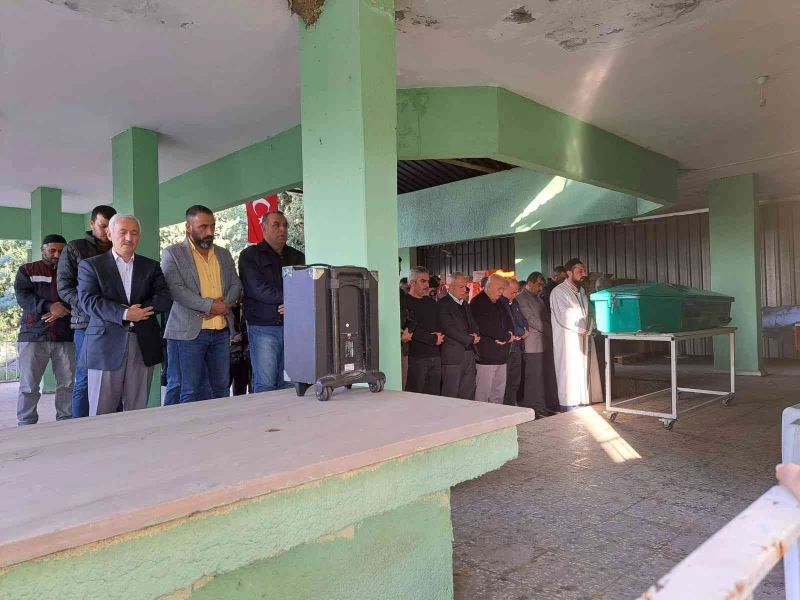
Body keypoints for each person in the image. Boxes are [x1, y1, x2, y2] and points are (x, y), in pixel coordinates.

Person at [78, 214, 171, 415]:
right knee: (101, 411)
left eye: (134, 233)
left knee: (137, 410)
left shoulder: (151, 266)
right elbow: (88, 301)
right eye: (123, 232)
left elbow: (164, 297)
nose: (129, 238)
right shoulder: (91, 265)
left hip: (143, 343)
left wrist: (140, 312)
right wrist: (125, 313)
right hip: (105, 345)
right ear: (109, 234)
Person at [161, 205, 242, 403]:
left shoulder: (223, 254)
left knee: (221, 388)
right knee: (189, 390)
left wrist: (223, 306)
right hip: (188, 333)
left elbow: (236, 284)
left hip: (221, 332)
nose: (209, 232)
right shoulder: (173, 253)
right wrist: (210, 306)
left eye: (212, 226)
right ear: (188, 227)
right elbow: (176, 290)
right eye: (203, 227)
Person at [57, 204, 117, 418]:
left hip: (117, 323)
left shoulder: (119, 247)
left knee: (115, 376)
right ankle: (79, 426)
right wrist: (93, 306)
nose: (108, 231)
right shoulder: (75, 248)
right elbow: (64, 288)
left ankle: (114, 425)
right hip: (86, 323)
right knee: (85, 378)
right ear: (91, 224)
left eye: (111, 227)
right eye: (103, 226)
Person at [238, 211, 305, 392]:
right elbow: (257, 288)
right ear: (264, 228)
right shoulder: (249, 256)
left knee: (291, 383)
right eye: (276, 225)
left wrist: (294, 304)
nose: (282, 229)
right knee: (266, 384)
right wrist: (291, 300)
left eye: (285, 225)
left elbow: (304, 287)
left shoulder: (297, 257)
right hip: (263, 328)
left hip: (292, 328)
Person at [14, 234, 74, 425]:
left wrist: (61, 309)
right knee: (29, 385)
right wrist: (49, 306)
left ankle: (66, 421)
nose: (57, 255)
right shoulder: (28, 270)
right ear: (43, 250)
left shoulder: (74, 272)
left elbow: (81, 295)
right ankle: (26, 423)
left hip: (65, 335)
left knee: (68, 384)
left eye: (61, 251)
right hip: (33, 335)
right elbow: (23, 297)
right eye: (52, 250)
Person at [550, 258, 602, 412]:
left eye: (583, 270)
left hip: (584, 336)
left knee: (581, 370)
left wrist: (590, 327)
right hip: (569, 339)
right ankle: (568, 406)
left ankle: (582, 402)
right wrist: (580, 328)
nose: (583, 273)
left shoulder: (581, 292)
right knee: (569, 372)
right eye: (580, 270)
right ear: (569, 273)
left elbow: (587, 312)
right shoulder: (559, 291)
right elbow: (564, 314)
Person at [516, 272, 558, 417]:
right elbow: (531, 320)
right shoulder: (521, 298)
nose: (541, 288)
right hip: (532, 345)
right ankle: (533, 407)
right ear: (530, 283)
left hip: (543, 343)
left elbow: (546, 317)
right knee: (533, 378)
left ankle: (541, 405)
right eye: (539, 284)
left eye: (542, 285)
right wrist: (551, 330)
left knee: (542, 377)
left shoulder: (538, 299)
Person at [470, 274, 513, 404]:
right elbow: (485, 326)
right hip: (486, 356)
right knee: (483, 395)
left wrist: (509, 333)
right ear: (489, 287)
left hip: (502, 355)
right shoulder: (477, 302)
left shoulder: (499, 302)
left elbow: (509, 320)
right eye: (499, 289)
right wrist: (505, 337)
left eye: (503, 289)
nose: (501, 292)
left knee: (498, 393)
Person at [437, 272, 480, 400]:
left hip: (469, 354)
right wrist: (470, 339)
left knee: (467, 393)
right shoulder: (443, 304)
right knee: (451, 395)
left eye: (465, 286)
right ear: (451, 286)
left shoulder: (465, 304)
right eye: (461, 287)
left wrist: (476, 334)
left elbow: (473, 324)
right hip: (453, 356)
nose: (464, 290)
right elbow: (448, 328)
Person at [402, 267, 444, 394]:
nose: (427, 285)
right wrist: (432, 338)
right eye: (423, 281)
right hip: (416, 357)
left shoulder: (431, 303)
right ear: (412, 283)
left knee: (434, 395)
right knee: (415, 396)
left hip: (435, 356)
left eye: (427, 281)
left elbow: (440, 325)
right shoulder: (404, 302)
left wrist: (438, 336)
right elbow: (409, 330)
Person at [500, 279, 528, 407]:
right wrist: (521, 332)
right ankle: (506, 406)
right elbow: (509, 324)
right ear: (504, 289)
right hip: (507, 349)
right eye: (513, 292)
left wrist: (525, 330)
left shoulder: (515, 302)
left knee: (515, 380)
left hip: (517, 347)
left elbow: (523, 319)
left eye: (517, 292)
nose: (515, 295)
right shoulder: (501, 303)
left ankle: (512, 403)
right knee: (505, 381)